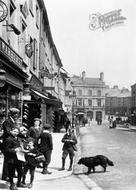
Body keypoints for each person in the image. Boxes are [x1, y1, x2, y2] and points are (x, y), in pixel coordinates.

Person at [1, 108, 20, 181]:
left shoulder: (14, 121)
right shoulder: (7, 121)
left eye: (17, 114)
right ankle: (5, 176)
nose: (16, 115)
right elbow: (8, 131)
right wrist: (15, 132)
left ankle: (11, 174)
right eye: (15, 114)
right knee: (8, 159)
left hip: (13, 141)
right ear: (11, 114)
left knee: (13, 158)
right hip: (8, 142)